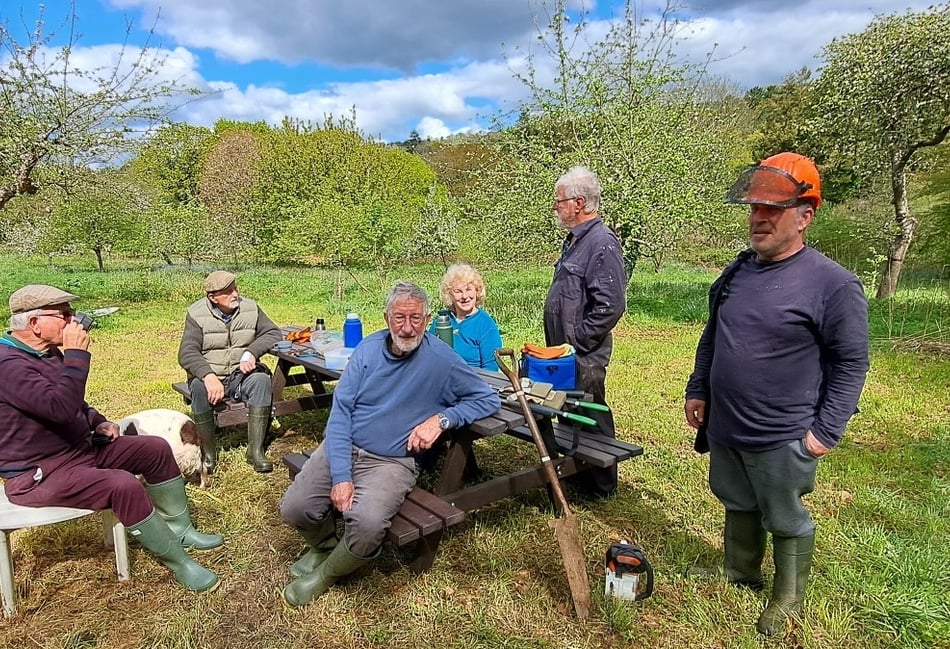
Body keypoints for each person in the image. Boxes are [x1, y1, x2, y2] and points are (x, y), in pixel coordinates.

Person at [684, 152, 870, 636]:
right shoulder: (738, 271)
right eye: (753, 208)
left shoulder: (833, 285)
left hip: (784, 430)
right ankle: (739, 569)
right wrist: (698, 387)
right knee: (736, 498)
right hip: (726, 422)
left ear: (805, 215)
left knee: (784, 516)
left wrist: (824, 433)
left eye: (772, 209)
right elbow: (713, 333)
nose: (758, 218)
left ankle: (787, 597)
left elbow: (850, 363)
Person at [279, 281, 500, 607]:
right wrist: (341, 476)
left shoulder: (443, 360)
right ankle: (326, 546)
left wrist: (441, 420)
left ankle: (326, 573)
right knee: (295, 508)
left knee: (367, 525)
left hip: (393, 461)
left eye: (415, 319)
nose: (407, 328)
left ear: (426, 319)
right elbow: (340, 416)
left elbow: (487, 398)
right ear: (386, 318)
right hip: (346, 443)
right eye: (399, 318)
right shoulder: (366, 352)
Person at [0, 285, 222, 592]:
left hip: (77, 452)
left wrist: (98, 421)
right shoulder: (7, 365)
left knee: (155, 449)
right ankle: (179, 562)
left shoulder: (46, 353)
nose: (74, 320)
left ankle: (180, 529)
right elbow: (59, 409)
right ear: (34, 323)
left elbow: (73, 402)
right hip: (38, 473)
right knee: (122, 483)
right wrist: (77, 355)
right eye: (64, 314)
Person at [544, 165, 627, 499]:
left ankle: (602, 487)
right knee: (568, 411)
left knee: (592, 413)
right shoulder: (577, 240)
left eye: (559, 200)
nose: (556, 207)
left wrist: (578, 341)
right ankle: (578, 475)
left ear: (578, 203)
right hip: (563, 353)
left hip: (583, 354)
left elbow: (610, 305)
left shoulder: (601, 243)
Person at [178, 270, 283, 473]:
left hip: (240, 375)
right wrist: (208, 376)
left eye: (235, 288)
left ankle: (255, 451)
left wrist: (252, 352)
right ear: (213, 297)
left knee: (261, 380)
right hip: (209, 375)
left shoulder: (250, 308)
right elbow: (187, 352)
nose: (235, 294)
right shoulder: (196, 314)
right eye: (227, 292)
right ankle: (208, 454)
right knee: (199, 389)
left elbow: (273, 332)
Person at [428, 263, 503, 371]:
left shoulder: (486, 324)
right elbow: (427, 354)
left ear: (477, 291)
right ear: (450, 295)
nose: (464, 296)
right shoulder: (442, 320)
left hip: (472, 382)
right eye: (458, 291)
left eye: (468, 289)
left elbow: (491, 369)